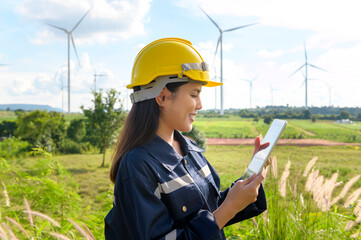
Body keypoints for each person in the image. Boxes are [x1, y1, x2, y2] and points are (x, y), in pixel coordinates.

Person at [105, 38, 270, 240]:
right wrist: (229, 207)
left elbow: (209, 210)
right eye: (194, 94)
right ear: (163, 96)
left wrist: (251, 180)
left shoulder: (189, 147)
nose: (200, 104)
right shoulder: (137, 166)